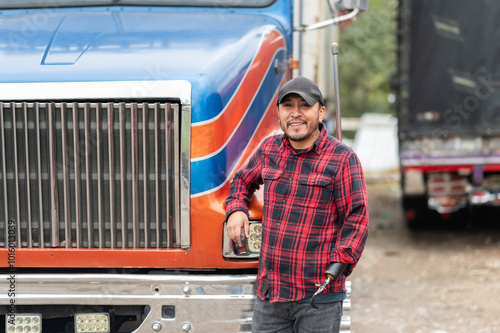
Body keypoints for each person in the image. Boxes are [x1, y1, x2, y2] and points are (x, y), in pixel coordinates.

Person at [225, 76, 369, 333]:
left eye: (305, 105)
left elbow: (356, 220)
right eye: (288, 106)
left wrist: (335, 270)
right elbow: (241, 181)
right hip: (270, 298)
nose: (296, 113)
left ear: (321, 112)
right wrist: (236, 208)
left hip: (318, 299)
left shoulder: (343, 159)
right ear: (279, 112)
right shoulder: (269, 149)